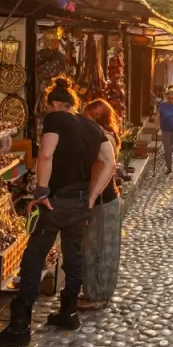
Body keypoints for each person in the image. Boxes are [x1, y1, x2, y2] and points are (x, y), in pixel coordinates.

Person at [0, 77, 116, 347]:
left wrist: (40, 192)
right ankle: (68, 313)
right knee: (74, 254)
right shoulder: (91, 126)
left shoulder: (55, 120)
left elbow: (45, 155)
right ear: (73, 103)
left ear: (54, 104)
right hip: (80, 201)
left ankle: (20, 328)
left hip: (55, 201)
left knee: (33, 259)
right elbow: (110, 162)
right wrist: (91, 196)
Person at [79, 99, 123, 311]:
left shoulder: (103, 138)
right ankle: (94, 292)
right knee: (95, 247)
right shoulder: (104, 135)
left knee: (99, 248)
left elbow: (104, 168)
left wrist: (91, 196)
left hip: (103, 200)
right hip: (105, 199)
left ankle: (98, 295)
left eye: (87, 118)